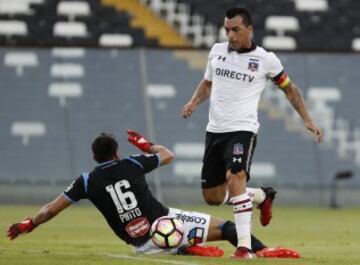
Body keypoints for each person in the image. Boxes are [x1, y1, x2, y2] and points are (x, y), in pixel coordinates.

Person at [6, 131, 299, 259]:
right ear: (116, 152)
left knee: (181, 236)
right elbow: (168, 155)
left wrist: (28, 224)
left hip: (141, 244)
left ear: (94, 156)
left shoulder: (86, 181)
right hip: (165, 223)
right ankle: (261, 250)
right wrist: (145, 144)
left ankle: (183, 248)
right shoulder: (131, 163)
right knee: (228, 228)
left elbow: (51, 209)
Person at [181, 6, 323, 259]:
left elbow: (290, 90)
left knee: (235, 177)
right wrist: (193, 102)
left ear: (249, 29)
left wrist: (308, 119)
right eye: (227, 30)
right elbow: (208, 83)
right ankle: (260, 195)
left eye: (235, 30)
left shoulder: (266, 59)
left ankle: (244, 247)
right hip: (215, 131)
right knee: (212, 196)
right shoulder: (217, 52)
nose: (230, 35)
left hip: (242, 129)